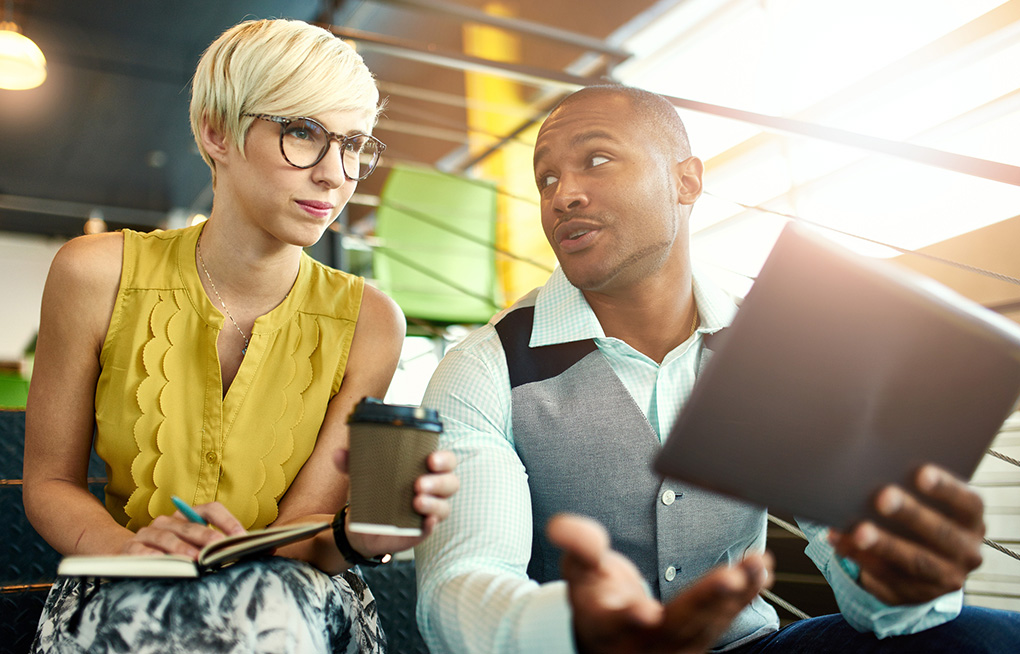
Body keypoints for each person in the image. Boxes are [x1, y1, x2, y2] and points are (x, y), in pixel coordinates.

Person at [414, 83, 1020, 653]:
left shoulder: (778, 351)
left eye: (596, 161)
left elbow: (863, 579)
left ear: (686, 180)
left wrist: (902, 585)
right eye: (547, 177)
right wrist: (573, 628)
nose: (562, 194)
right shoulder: (483, 368)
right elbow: (461, 578)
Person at [23, 18, 457, 653]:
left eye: (354, 145)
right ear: (215, 133)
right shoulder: (93, 273)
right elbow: (50, 484)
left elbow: (302, 534)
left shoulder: (371, 320)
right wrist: (133, 550)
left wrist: (360, 535)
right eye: (303, 133)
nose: (335, 173)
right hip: (122, 570)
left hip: (293, 588)